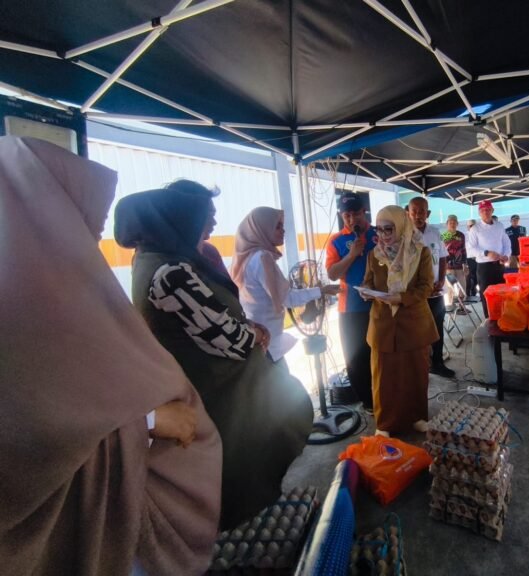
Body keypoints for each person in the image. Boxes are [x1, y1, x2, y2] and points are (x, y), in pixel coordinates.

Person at [0, 137, 222, 575]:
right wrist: (150, 422)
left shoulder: (56, 294)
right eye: (82, 221)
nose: (93, 238)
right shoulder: (21, 310)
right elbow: (26, 445)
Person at [114, 185, 313, 530]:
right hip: (221, 389)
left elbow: (207, 316)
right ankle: (246, 533)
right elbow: (230, 340)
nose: (214, 221)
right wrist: (251, 332)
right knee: (240, 469)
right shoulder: (170, 273)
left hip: (226, 382)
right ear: (179, 222)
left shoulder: (156, 260)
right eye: (205, 216)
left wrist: (246, 325)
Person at [362, 205, 438, 436]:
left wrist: (402, 298)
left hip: (414, 323)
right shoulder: (374, 255)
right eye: (380, 229)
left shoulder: (420, 252)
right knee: (384, 376)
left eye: (389, 228)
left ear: (402, 226)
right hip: (382, 324)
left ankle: (417, 416)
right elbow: (368, 282)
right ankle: (385, 424)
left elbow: (426, 287)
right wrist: (365, 290)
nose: (384, 235)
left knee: (416, 373)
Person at [231, 207, 340, 367]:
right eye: (277, 227)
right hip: (267, 342)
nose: (283, 231)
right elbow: (287, 298)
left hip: (257, 338)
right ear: (262, 229)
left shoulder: (247, 258)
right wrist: (321, 290)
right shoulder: (263, 258)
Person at [326, 192, 377, 410]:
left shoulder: (379, 233)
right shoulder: (336, 241)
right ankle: (369, 403)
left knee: (381, 354)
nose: (352, 219)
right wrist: (352, 255)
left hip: (380, 304)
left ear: (364, 212)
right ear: (341, 215)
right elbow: (332, 274)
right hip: (351, 308)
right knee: (356, 358)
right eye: (347, 215)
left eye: (356, 213)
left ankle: (386, 396)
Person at [408, 197, 454, 378]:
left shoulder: (435, 232)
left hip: (436, 292)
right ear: (408, 213)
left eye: (421, 212)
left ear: (428, 214)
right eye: (414, 211)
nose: (418, 215)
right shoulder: (403, 235)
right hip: (416, 295)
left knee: (437, 328)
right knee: (416, 331)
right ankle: (418, 366)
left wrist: (442, 279)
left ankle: (437, 364)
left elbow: (443, 258)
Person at [466, 200, 511, 317]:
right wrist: (486, 253)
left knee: (501, 294)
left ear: (492, 211)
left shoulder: (499, 225)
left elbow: (507, 243)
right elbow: (470, 249)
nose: (485, 212)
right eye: (482, 210)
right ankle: (489, 320)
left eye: (487, 209)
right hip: (484, 267)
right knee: (487, 295)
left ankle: (502, 318)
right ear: (479, 213)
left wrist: (506, 255)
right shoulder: (475, 228)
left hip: (499, 265)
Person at [442, 214, 468, 309]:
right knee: (449, 288)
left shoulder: (461, 235)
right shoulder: (444, 236)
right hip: (448, 266)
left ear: (457, 224)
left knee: (462, 285)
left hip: (460, 266)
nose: (452, 224)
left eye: (454, 223)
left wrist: (465, 264)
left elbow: (464, 250)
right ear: (447, 224)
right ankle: (450, 306)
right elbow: (441, 252)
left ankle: (462, 306)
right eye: (450, 223)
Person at [466, 219, 479, 297]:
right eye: (471, 226)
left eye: (474, 225)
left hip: (478, 259)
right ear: (468, 227)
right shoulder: (465, 235)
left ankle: (476, 292)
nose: (472, 227)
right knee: (469, 278)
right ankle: (469, 294)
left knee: (478, 278)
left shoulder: (480, 234)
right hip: (469, 259)